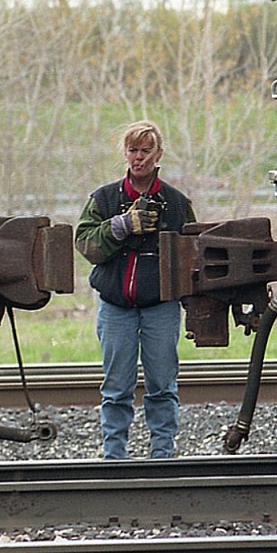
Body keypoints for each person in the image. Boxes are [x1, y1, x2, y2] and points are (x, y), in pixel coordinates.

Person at [75, 120, 196, 459]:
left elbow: (191, 256)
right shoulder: (104, 199)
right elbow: (85, 244)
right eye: (132, 150)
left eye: (145, 151)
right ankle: (114, 456)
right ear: (125, 154)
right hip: (115, 307)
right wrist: (122, 225)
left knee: (162, 385)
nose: (138, 157)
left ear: (158, 156)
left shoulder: (177, 203)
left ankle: (163, 454)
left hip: (161, 307)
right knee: (115, 388)